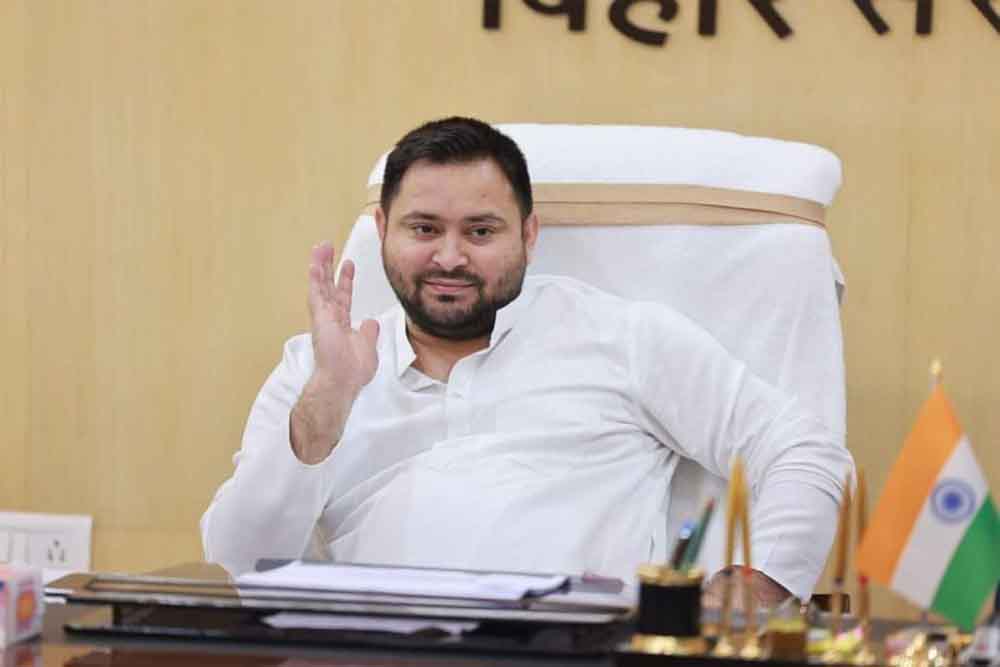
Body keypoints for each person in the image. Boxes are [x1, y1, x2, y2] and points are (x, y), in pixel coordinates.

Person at [201, 117, 853, 605]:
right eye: (423, 228)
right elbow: (238, 563)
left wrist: (756, 583)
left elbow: (805, 450)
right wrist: (327, 403)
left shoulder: (621, 338)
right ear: (382, 232)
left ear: (529, 235)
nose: (449, 257)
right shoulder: (319, 369)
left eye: (480, 231)